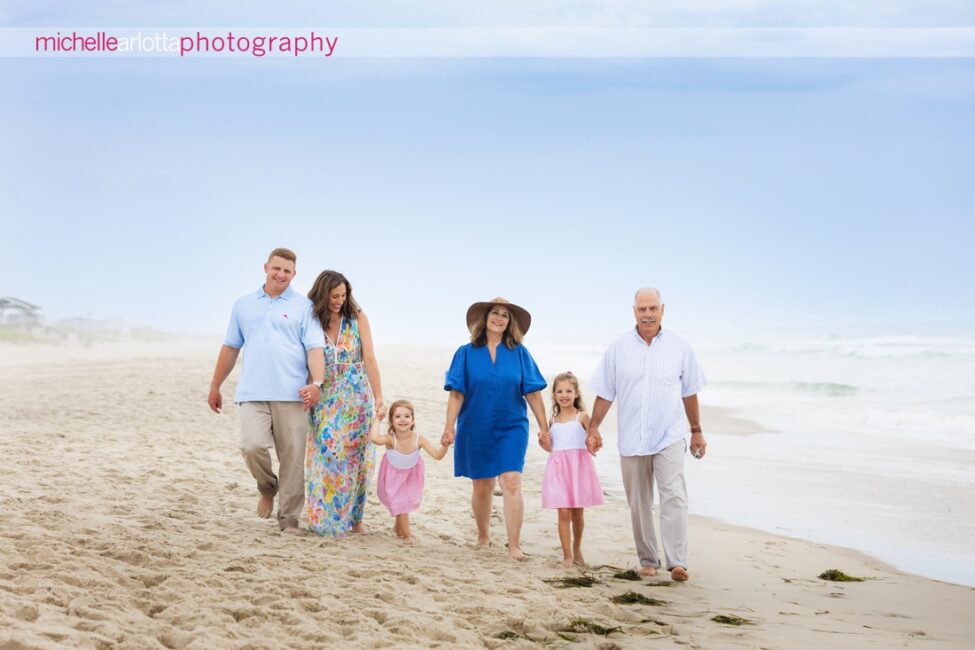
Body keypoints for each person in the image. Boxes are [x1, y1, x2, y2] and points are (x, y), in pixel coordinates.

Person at [587, 288, 707, 582]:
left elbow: (689, 391)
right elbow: (605, 392)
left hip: (670, 434)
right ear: (634, 312)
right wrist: (593, 428)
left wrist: (696, 431)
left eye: (653, 308)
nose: (648, 314)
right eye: (642, 309)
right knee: (639, 502)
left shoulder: (680, 346)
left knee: (674, 495)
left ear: (663, 310)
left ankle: (677, 562)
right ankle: (648, 560)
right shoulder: (618, 347)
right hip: (632, 437)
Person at [207, 247, 325, 534]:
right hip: (252, 393)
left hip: (293, 395)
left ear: (294, 274)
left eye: (287, 270)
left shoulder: (305, 307)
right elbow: (231, 347)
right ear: (266, 268)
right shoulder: (243, 304)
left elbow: (314, 348)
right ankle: (267, 487)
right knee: (251, 446)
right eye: (276, 268)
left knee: (293, 460)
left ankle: (289, 520)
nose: (281, 274)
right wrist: (215, 385)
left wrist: (317, 384)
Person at [441, 297, 549, 560]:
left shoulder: (520, 353)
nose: (499, 318)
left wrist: (545, 428)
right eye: (495, 313)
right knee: (482, 486)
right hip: (475, 425)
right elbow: (456, 393)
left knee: (511, 480)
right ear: (485, 318)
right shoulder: (465, 353)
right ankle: (483, 535)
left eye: (505, 315)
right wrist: (448, 427)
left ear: (509, 322)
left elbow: (533, 394)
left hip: (511, 426)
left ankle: (514, 545)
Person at [305, 270, 385, 537]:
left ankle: (355, 519)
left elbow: (370, 359)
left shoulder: (357, 318)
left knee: (357, 460)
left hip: (356, 397)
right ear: (322, 294)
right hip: (326, 396)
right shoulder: (312, 320)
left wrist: (379, 396)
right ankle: (323, 518)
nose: (339, 300)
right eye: (334, 295)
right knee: (325, 454)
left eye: (343, 295)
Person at [539, 371, 604, 567]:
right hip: (558, 471)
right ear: (554, 395)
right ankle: (567, 555)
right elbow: (551, 447)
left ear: (576, 393)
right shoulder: (553, 420)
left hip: (578, 469)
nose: (564, 395)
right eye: (559, 391)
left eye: (568, 391)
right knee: (563, 512)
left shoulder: (582, 417)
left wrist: (595, 444)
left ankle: (576, 548)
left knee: (577, 513)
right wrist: (543, 442)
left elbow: (596, 440)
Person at [369, 399, 450, 543]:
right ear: (391, 421)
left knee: (403, 505)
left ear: (413, 420)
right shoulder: (390, 439)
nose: (403, 420)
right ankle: (406, 535)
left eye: (407, 416)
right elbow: (374, 438)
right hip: (392, 477)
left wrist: (445, 445)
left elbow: (437, 455)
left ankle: (403, 532)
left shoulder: (420, 440)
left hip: (411, 477)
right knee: (400, 505)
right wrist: (378, 419)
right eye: (398, 416)